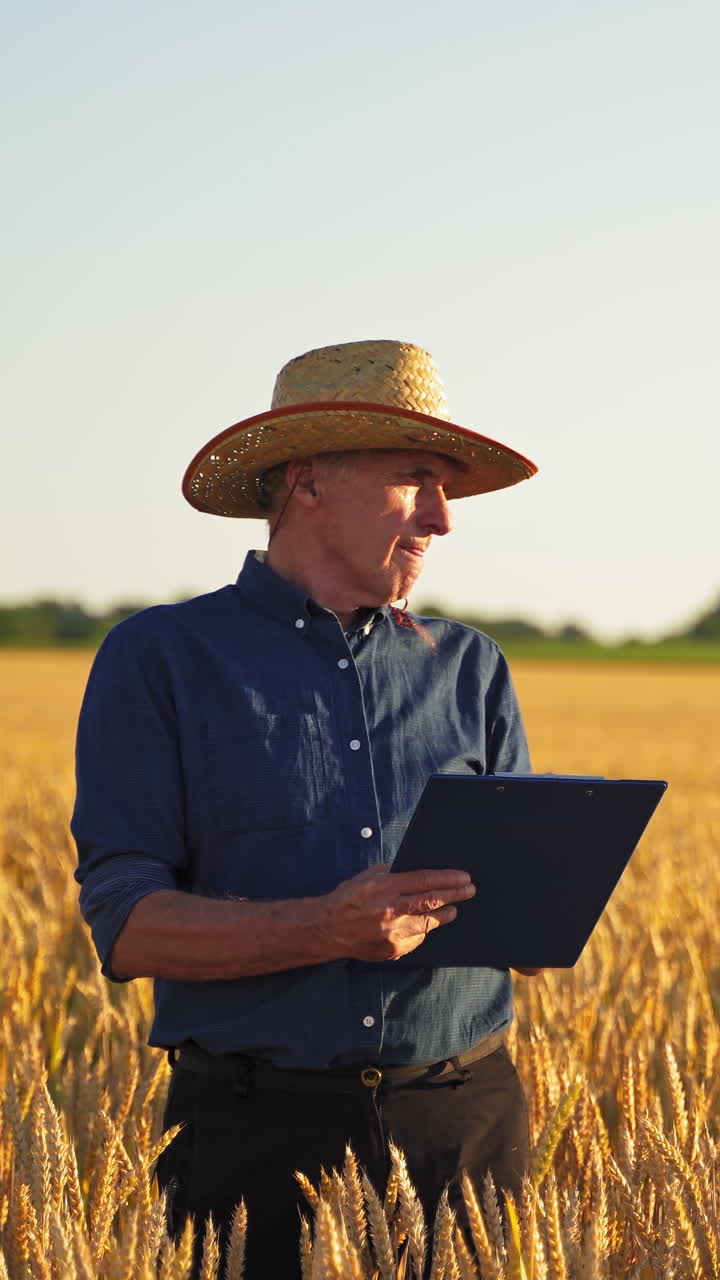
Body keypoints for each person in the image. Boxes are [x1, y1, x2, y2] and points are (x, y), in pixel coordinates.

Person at [72, 338, 540, 1278]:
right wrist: (326, 928)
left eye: (447, 487)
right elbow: (126, 926)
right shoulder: (161, 657)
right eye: (416, 478)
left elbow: (517, 897)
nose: (443, 518)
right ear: (307, 479)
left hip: (466, 1123)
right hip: (255, 1140)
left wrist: (537, 905)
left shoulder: (472, 665)